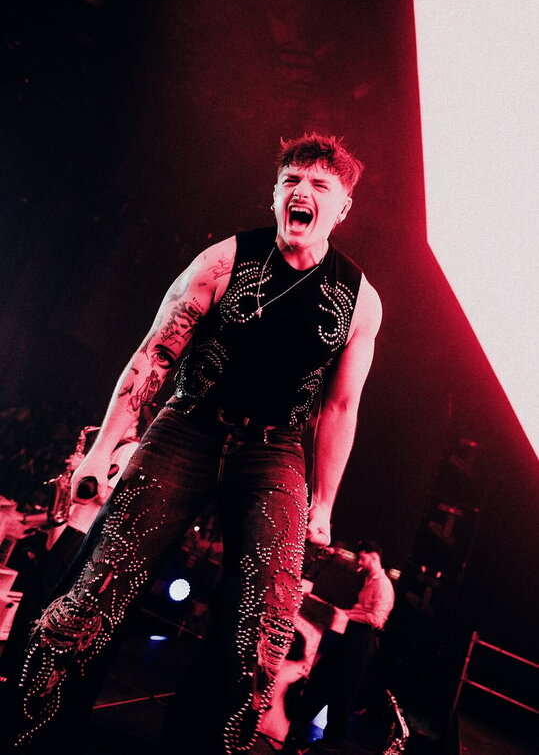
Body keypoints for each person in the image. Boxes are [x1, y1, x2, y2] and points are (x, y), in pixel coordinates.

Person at [8, 133, 382, 755]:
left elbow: (341, 407)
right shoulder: (224, 260)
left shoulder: (359, 300)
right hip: (189, 428)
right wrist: (102, 450)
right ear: (275, 194)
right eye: (291, 180)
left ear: (341, 208)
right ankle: (32, 736)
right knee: (98, 590)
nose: (302, 192)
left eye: (319, 185)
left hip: (275, 452)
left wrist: (323, 503)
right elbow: (153, 355)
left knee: (262, 628)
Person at [281, 540, 395, 755]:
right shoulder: (368, 579)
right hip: (351, 633)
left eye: (362, 558)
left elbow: (377, 619)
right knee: (323, 677)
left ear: (374, 556)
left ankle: (333, 739)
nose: (359, 562)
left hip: (362, 639)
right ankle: (300, 725)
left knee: (344, 688)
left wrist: (349, 614)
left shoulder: (383, 585)